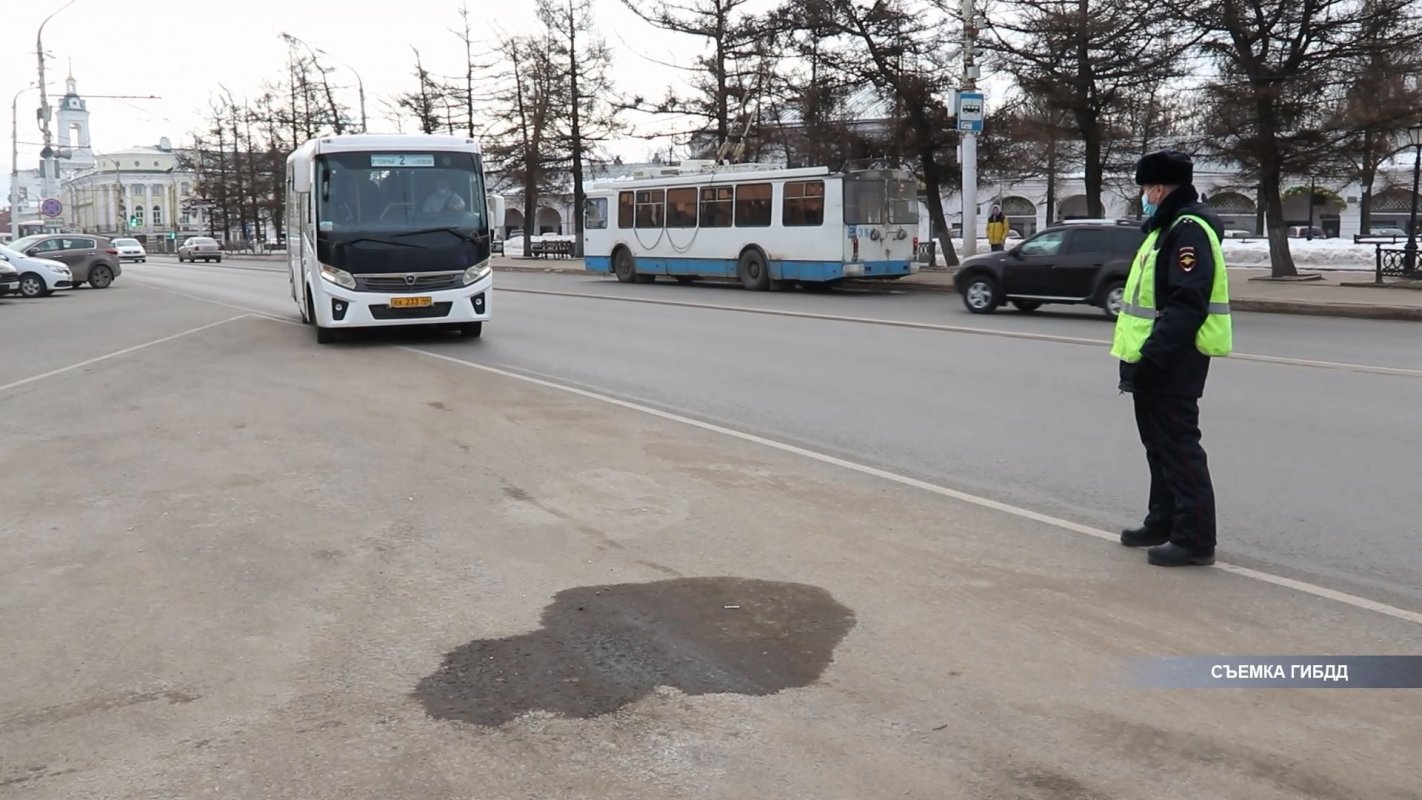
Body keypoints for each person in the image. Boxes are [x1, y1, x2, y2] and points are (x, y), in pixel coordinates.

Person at [1111, 149, 1233, 567]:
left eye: (1146, 188)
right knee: (1159, 448)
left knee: (1179, 448)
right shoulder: (1165, 229)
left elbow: (1187, 302)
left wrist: (1153, 357)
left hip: (1172, 361)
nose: (1144, 195)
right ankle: (1162, 521)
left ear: (1159, 188)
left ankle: (1195, 539)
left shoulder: (1188, 231)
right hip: (1152, 359)